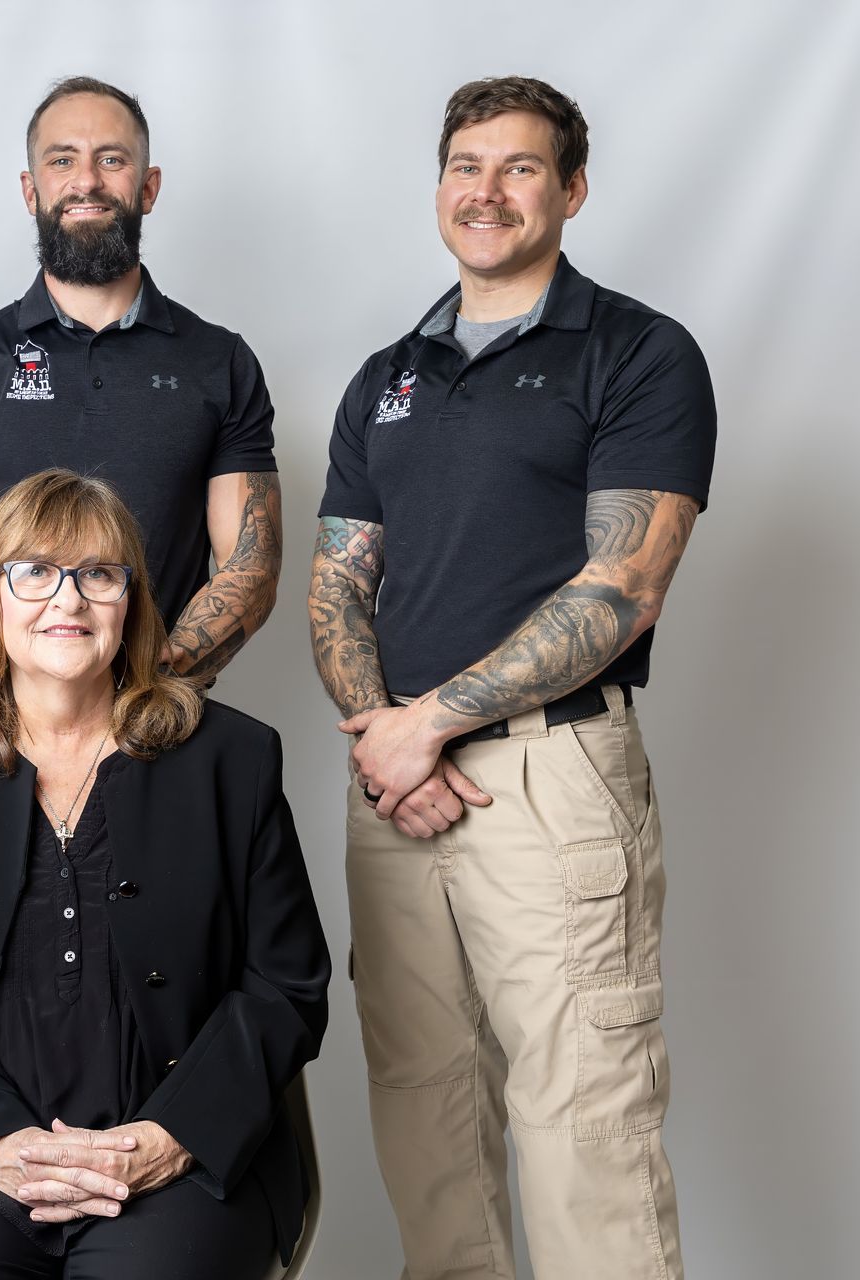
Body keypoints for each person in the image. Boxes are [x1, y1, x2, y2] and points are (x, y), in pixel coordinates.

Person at [309, 77, 715, 1278]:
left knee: (583, 1124)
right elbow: (340, 583)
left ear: (572, 189)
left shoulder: (638, 353)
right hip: (395, 788)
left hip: (552, 776)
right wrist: (387, 737)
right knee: (424, 1115)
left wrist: (428, 723)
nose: (486, 191)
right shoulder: (389, 371)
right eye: (466, 165)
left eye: (521, 168)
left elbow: (623, 584)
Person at [0, 469, 329, 1279]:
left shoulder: (231, 758)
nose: (67, 601)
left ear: (129, 601)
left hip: (177, 1160)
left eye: (98, 574)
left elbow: (287, 984)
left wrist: (165, 1142)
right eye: (33, 572)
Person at [0, 76, 281, 684]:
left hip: (163, 711)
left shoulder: (222, 362)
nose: (86, 181)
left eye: (112, 159)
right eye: (63, 161)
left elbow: (251, 562)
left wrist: (160, 666)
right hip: (6, 712)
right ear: (31, 191)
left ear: (148, 186)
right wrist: (42, 670)